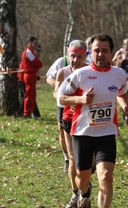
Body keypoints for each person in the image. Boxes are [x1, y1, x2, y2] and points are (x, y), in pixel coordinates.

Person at [58, 33, 128, 208]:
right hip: (83, 133)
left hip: (106, 133)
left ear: (111, 52)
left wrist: (127, 108)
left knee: (106, 175)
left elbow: (121, 93)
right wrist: (81, 99)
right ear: (89, 52)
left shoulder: (119, 74)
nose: (100, 54)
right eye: (96, 50)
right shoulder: (81, 74)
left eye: (104, 50)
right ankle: (84, 192)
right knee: (82, 177)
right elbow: (61, 96)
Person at [54, 40, 88, 208]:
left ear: (85, 56)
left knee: (88, 160)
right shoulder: (63, 72)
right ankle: (76, 193)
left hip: (89, 120)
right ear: (68, 55)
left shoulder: (90, 71)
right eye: (72, 56)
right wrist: (71, 99)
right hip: (68, 117)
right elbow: (58, 94)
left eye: (79, 56)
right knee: (73, 159)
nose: (75, 60)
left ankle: (83, 182)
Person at [47, 38, 78, 173]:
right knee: (62, 130)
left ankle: (79, 157)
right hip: (62, 102)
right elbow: (49, 77)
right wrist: (60, 88)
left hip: (78, 102)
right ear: (67, 49)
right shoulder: (62, 62)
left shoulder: (85, 64)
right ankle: (67, 157)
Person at [21, 36, 42, 117]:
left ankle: (30, 111)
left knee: (32, 94)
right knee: (29, 95)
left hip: (31, 74)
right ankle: (27, 112)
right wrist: (39, 65)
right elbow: (36, 62)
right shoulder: (28, 52)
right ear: (30, 42)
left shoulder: (30, 51)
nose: (36, 45)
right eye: (35, 43)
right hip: (29, 74)